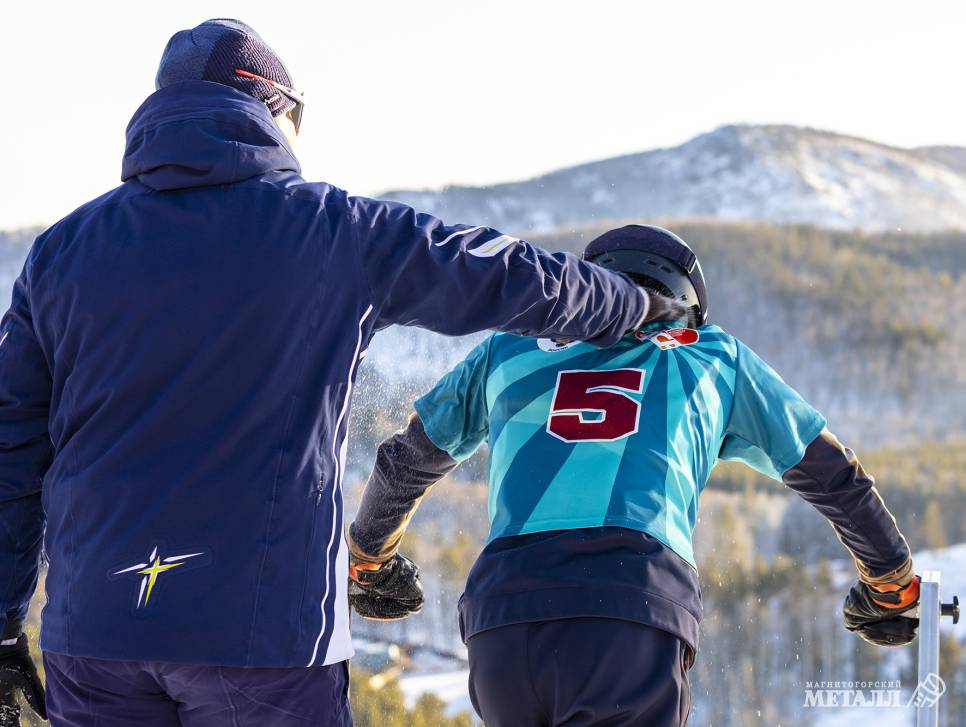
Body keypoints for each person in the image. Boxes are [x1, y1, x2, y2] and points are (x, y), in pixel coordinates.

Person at [0, 19, 685, 727]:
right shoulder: (334, 230)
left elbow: (10, 456)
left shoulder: (60, 255)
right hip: (266, 636)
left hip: (99, 634)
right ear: (274, 108)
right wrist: (630, 304)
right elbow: (501, 274)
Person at [348, 224, 920, 727]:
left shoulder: (507, 349)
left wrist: (370, 564)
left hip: (505, 618)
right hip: (631, 605)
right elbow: (834, 475)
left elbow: (404, 460)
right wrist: (890, 584)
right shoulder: (712, 355)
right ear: (689, 304)